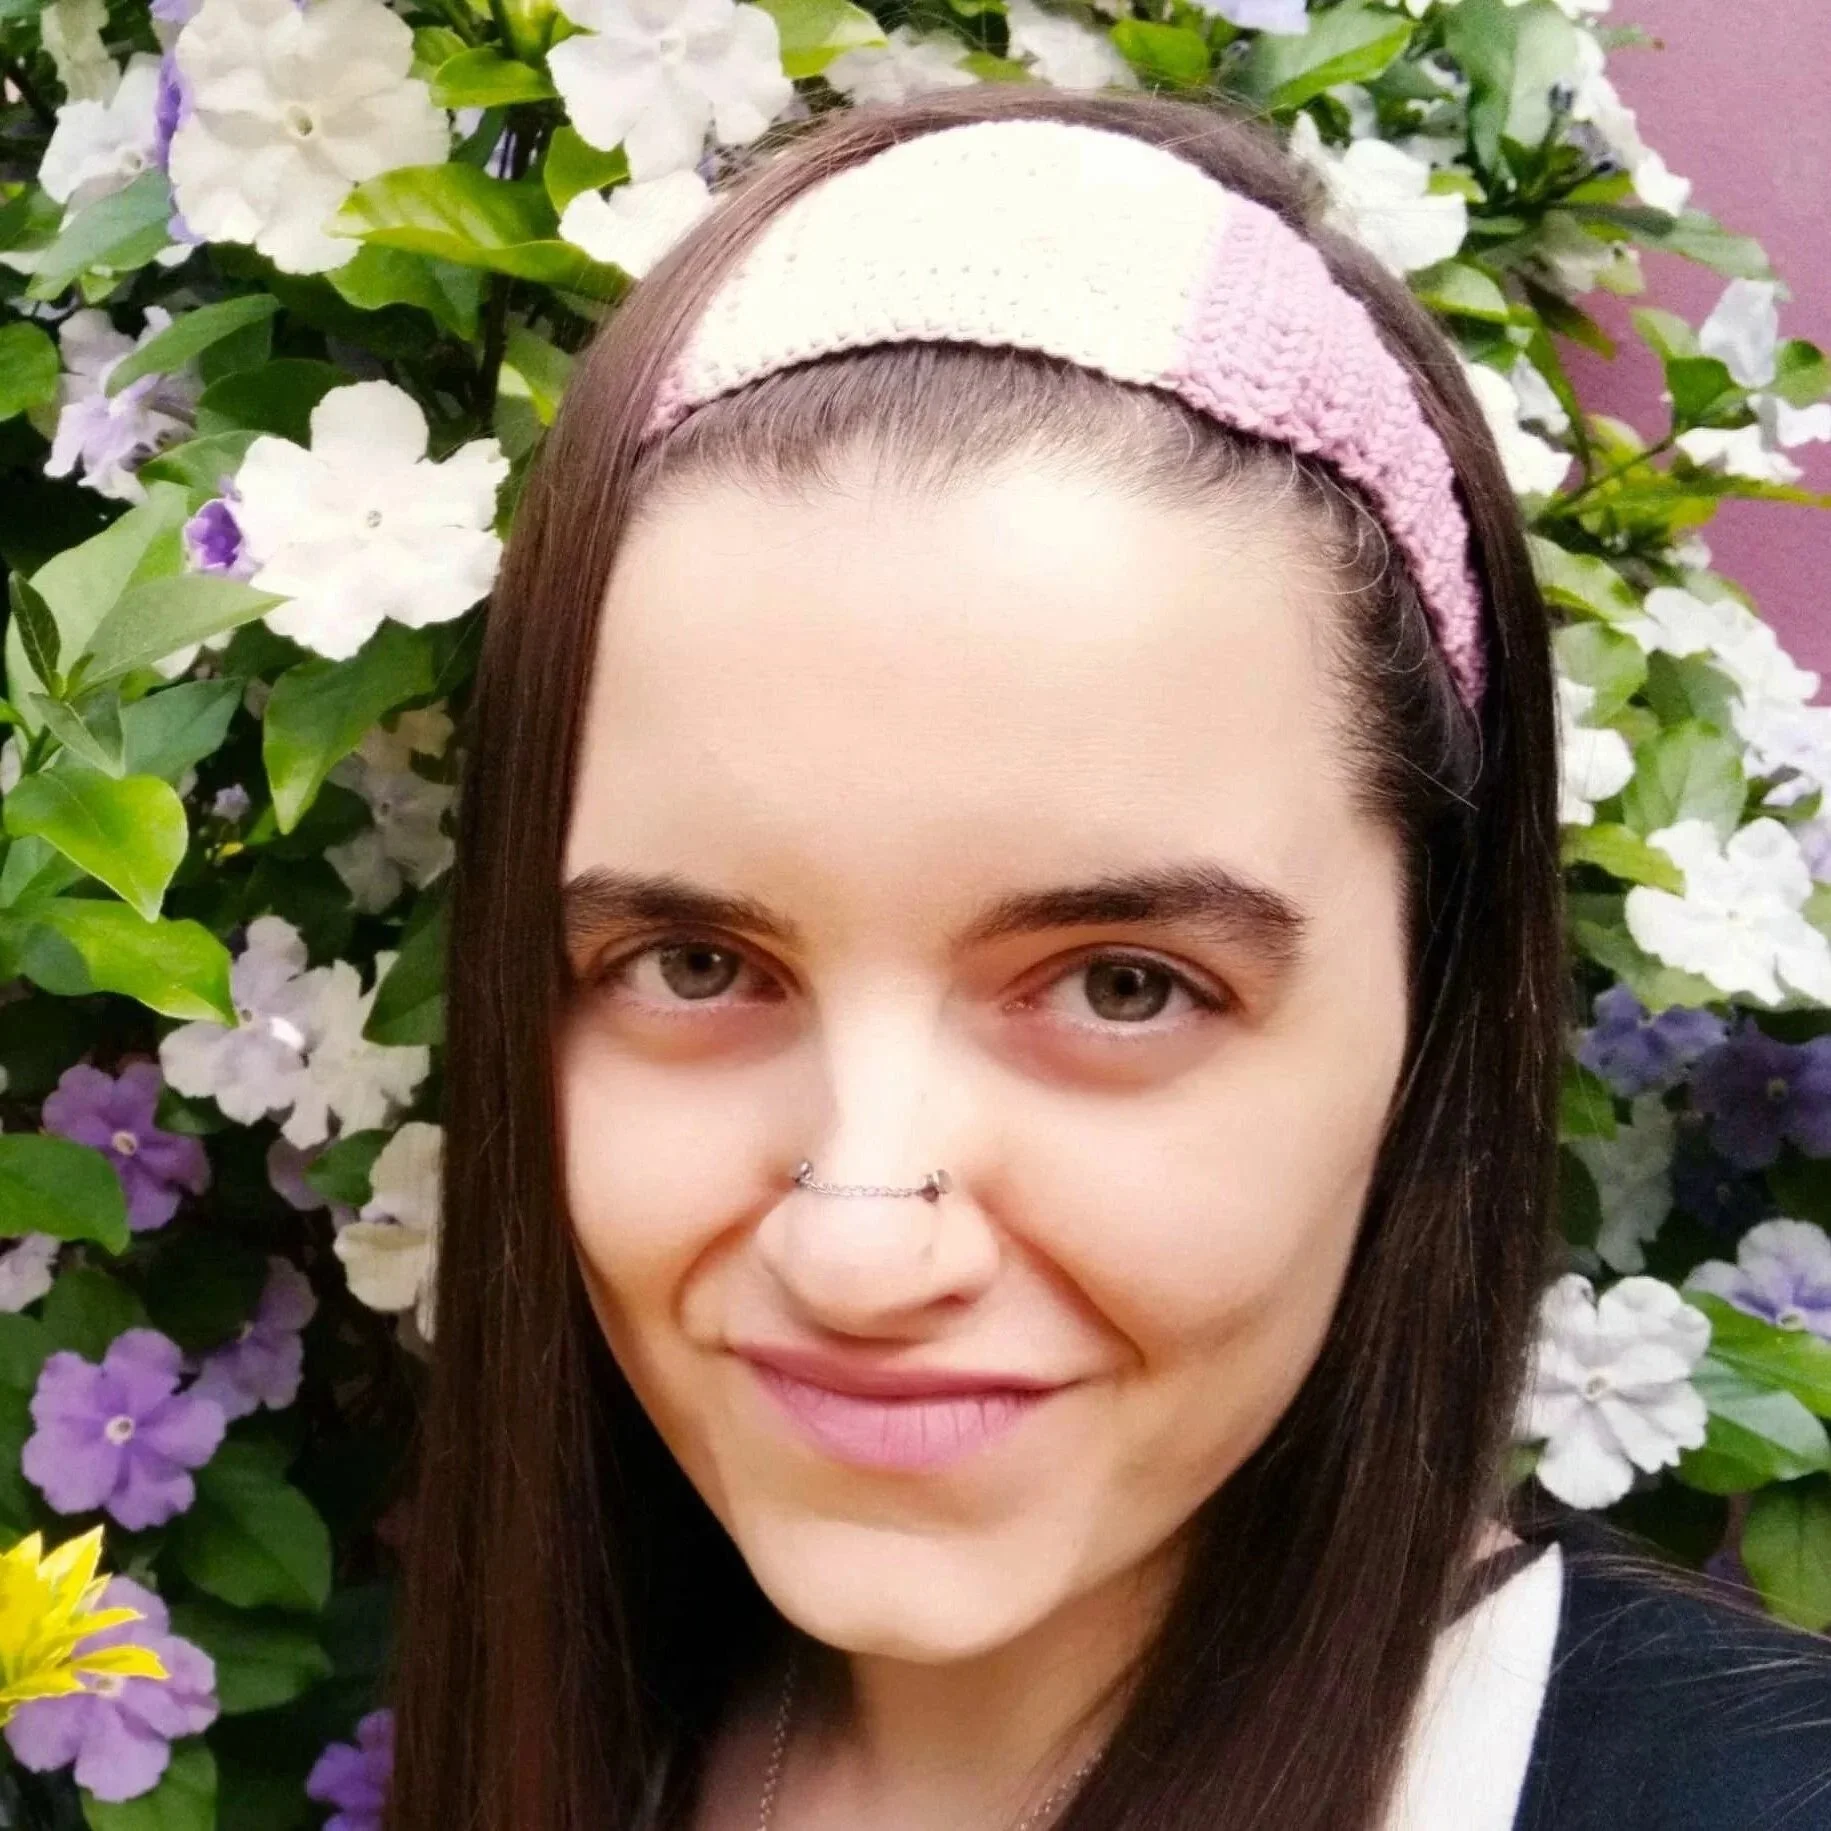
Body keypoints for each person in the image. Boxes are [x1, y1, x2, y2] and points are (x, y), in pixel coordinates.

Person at [386, 85, 1831, 1831]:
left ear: (1428, 1001)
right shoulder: (591, 1726)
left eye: (1121, 982)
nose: (858, 1246)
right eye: (693, 962)